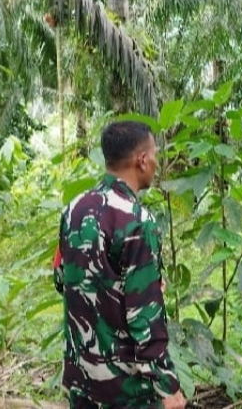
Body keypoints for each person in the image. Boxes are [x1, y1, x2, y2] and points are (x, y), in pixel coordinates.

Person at [53, 121, 186, 409]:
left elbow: (61, 277)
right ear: (142, 160)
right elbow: (145, 317)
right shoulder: (137, 221)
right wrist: (167, 385)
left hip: (82, 380)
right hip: (126, 391)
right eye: (155, 155)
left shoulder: (72, 210)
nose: (156, 162)